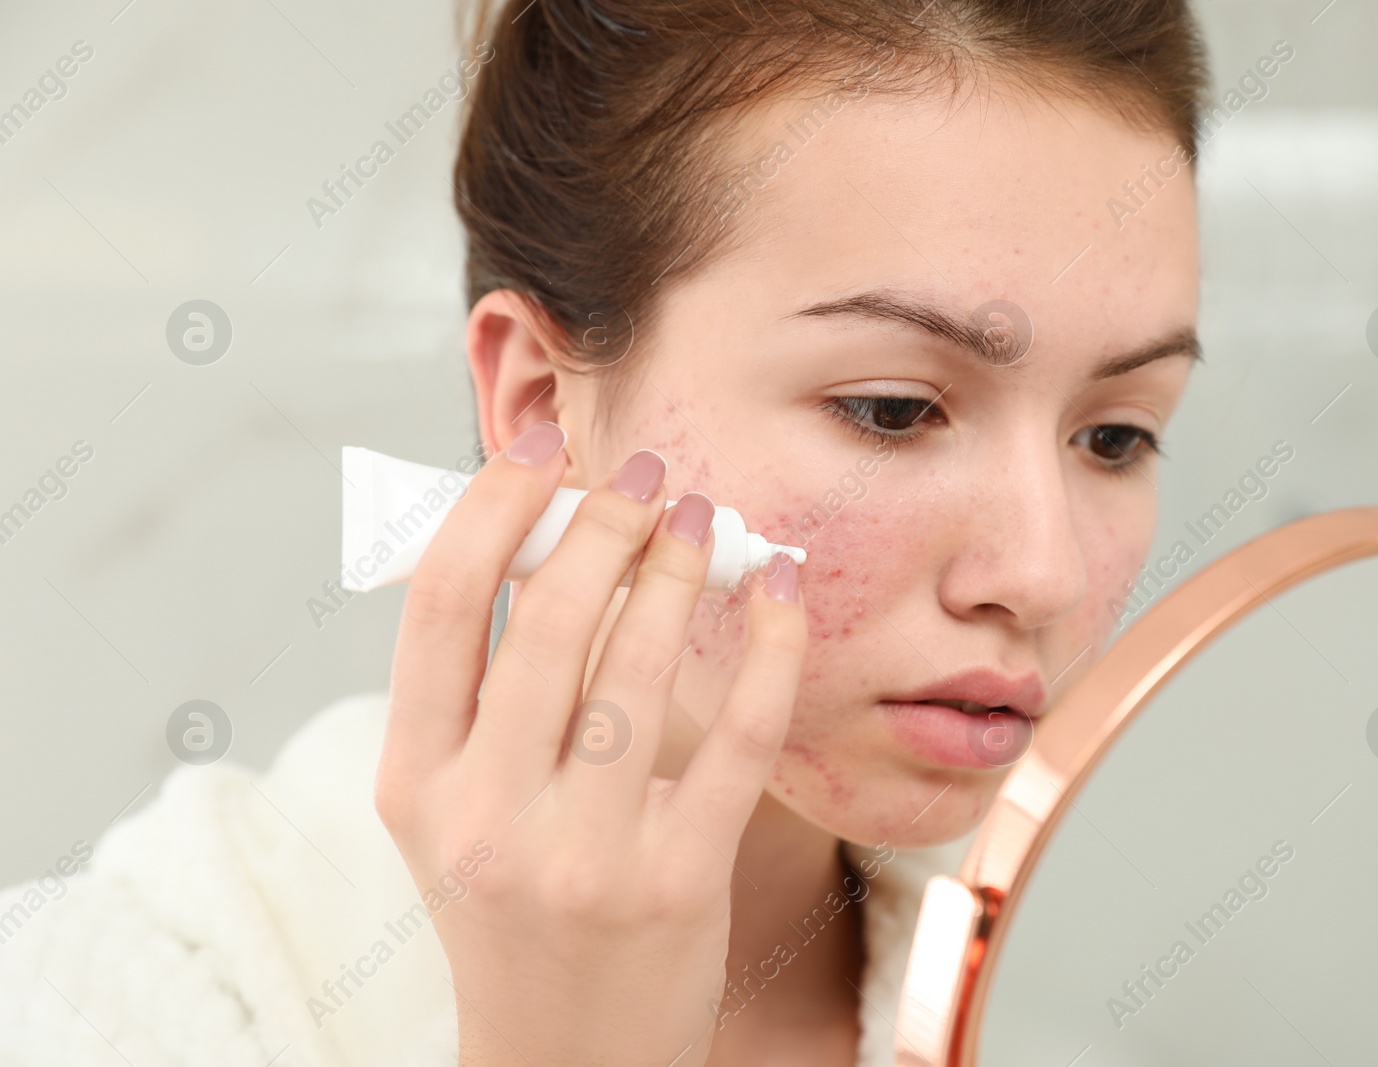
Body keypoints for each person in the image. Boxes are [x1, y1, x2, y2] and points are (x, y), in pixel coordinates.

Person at [0, 1, 1207, 1063]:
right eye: (891, 409)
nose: (1042, 575)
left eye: (1113, 437)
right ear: (539, 406)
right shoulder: (99, 1004)